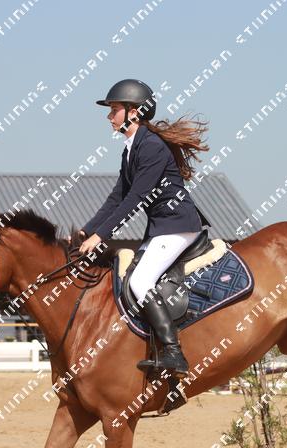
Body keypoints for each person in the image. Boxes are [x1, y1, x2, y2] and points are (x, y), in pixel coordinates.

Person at [78, 78, 211, 378]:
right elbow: (118, 196)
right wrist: (87, 231)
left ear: (134, 112)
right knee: (131, 278)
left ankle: (174, 353)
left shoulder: (150, 147)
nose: (109, 116)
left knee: (140, 282)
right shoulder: (131, 148)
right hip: (162, 229)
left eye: (114, 109)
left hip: (177, 226)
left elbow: (136, 198)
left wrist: (101, 236)